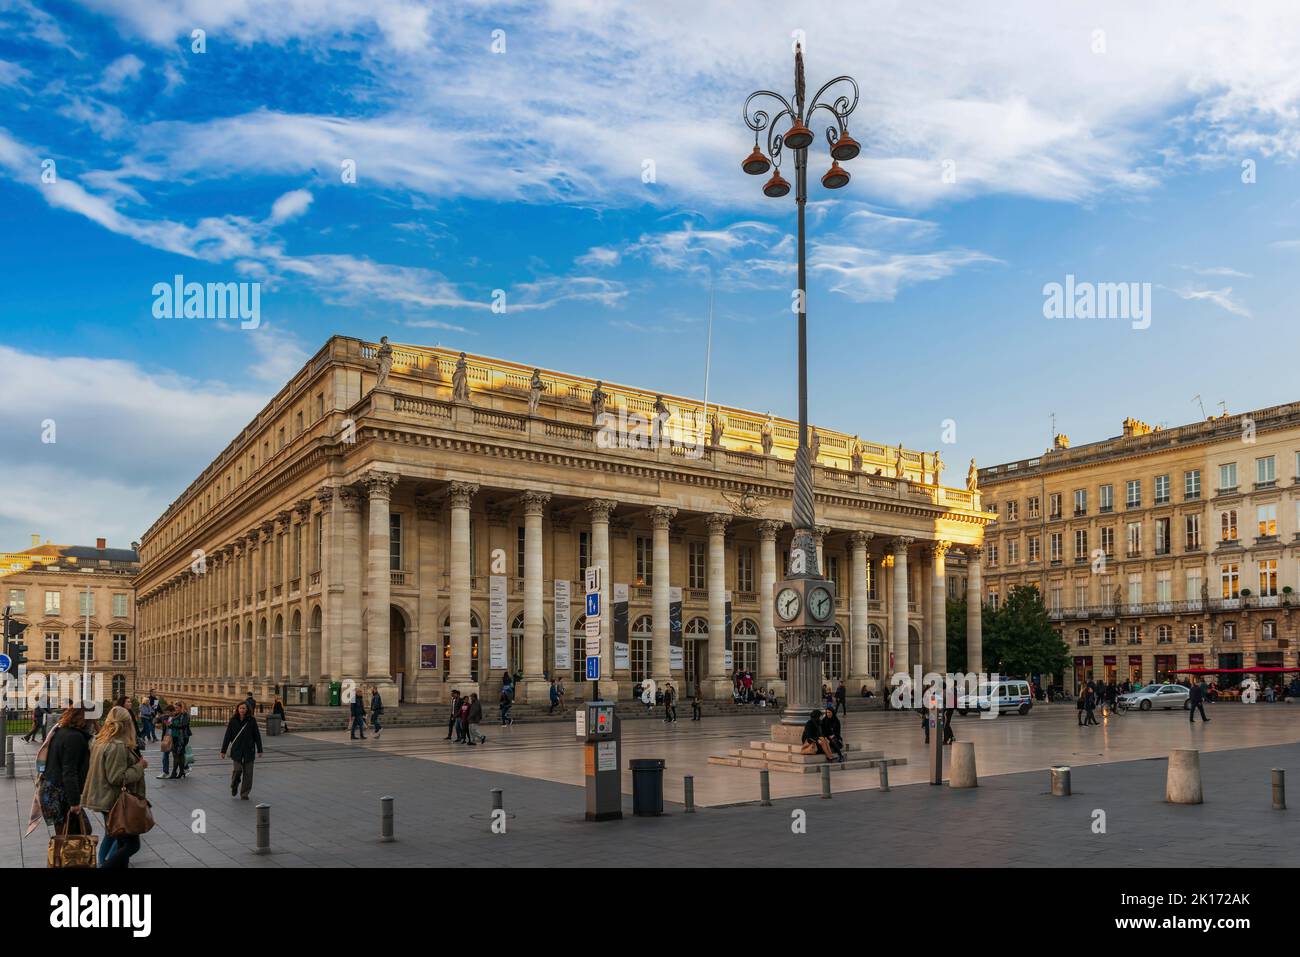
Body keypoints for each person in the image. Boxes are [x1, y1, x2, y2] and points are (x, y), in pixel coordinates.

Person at [81, 706, 147, 869]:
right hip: (114, 801)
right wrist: (139, 766)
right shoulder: (117, 745)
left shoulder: (99, 741)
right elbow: (116, 777)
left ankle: (105, 863)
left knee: (115, 838)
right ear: (126, 724)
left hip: (104, 798)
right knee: (132, 845)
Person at [42, 706, 92, 828]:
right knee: (77, 833)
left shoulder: (61, 731)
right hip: (62, 793)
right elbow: (70, 771)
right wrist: (74, 802)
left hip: (52, 789)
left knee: (65, 833)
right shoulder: (75, 737)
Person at [220, 701, 265, 800]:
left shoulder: (251, 720)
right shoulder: (233, 720)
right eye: (240, 708)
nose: (242, 710)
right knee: (237, 770)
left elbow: (257, 735)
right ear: (237, 709)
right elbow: (227, 736)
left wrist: (260, 749)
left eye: (244, 708)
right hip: (237, 750)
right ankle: (234, 785)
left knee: (248, 774)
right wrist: (223, 750)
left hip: (249, 749)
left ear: (247, 709)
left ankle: (244, 793)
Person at [168, 702, 191, 778]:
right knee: (180, 755)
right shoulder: (175, 715)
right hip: (175, 737)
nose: (175, 709)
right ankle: (181, 772)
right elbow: (170, 723)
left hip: (182, 737)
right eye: (175, 708)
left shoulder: (185, 715)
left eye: (177, 708)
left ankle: (174, 772)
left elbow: (183, 726)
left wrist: (173, 725)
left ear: (181, 708)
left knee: (177, 755)